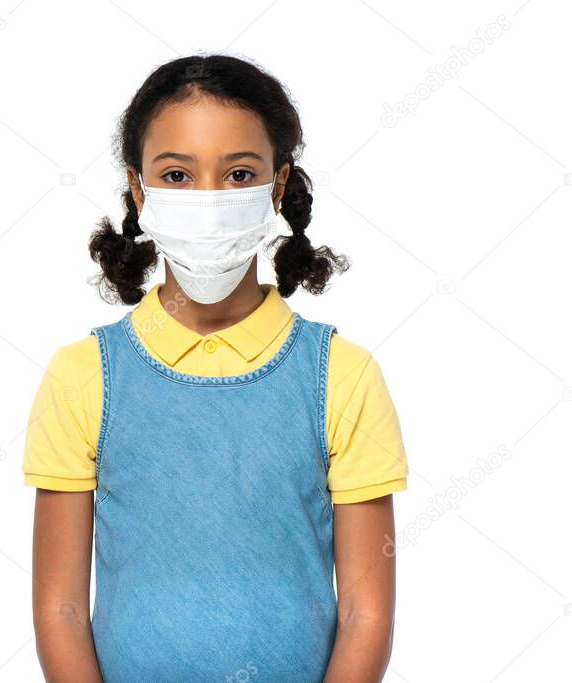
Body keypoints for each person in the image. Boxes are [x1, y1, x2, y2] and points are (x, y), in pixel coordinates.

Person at [23, 53, 409, 682]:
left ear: (277, 186)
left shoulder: (341, 375)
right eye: (177, 174)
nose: (207, 200)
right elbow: (60, 610)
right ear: (137, 188)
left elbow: (367, 615)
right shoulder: (83, 376)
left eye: (237, 174)